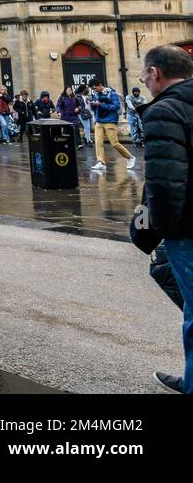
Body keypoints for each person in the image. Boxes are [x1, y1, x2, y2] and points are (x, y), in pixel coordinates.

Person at [127, 45, 193, 393]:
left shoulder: (164, 111)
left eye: (144, 74)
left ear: (155, 74)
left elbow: (165, 182)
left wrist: (158, 232)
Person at [89, 78, 134, 169]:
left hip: (110, 121)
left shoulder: (112, 94)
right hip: (99, 121)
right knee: (98, 142)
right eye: (93, 89)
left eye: (95, 88)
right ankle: (101, 162)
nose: (94, 90)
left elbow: (116, 107)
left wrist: (101, 104)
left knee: (114, 143)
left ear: (100, 85)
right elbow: (95, 109)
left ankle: (130, 157)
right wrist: (92, 105)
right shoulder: (96, 95)